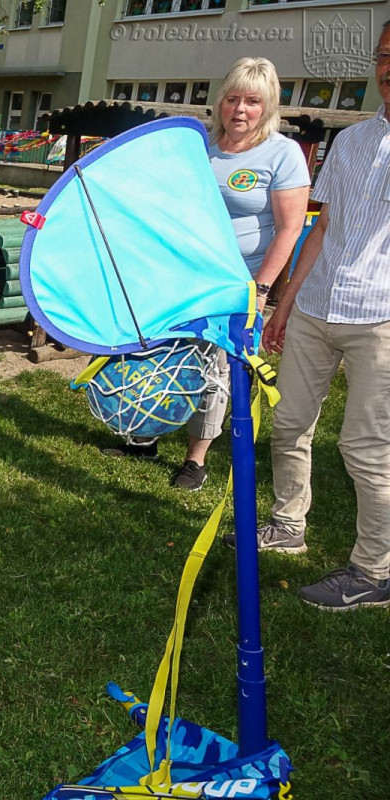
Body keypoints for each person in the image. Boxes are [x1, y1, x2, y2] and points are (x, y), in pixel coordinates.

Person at [106, 57, 310, 493]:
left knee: (216, 366)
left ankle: (195, 459)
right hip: (183, 278)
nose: (240, 110)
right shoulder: (202, 147)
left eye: (252, 101)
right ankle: (146, 435)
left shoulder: (282, 154)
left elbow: (290, 228)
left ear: (268, 106)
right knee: (165, 355)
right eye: (233, 99)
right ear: (220, 102)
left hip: (238, 284)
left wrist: (260, 289)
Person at [255, 22, 390, 611]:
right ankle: (288, 526)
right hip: (315, 308)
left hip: (380, 320)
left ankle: (375, 571)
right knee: (288, 426)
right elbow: (322, 226)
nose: (388, 67)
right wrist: (285, 303)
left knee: (367, 448)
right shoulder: (355, 139)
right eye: (384, 55)